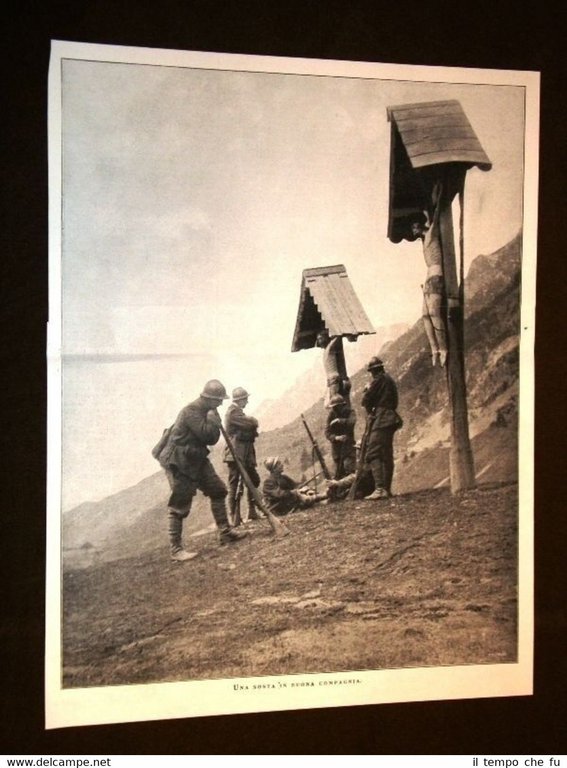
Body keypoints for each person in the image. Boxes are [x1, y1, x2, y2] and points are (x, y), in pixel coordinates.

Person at [157, 379, 248, 562]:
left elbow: (212, 438)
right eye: (219, 400)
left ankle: (225, 532)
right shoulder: (191, 411)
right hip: (179, 461)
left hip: (196, 457)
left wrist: (212, 421)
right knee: (180, 504)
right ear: (209, 398)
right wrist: (212, 422)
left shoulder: (209, 410)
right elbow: (207, 435)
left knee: (218, 490)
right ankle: (176, 550)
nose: (221, 403)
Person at [411, 196, 450, 367]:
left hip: (436, 275)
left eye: (414, 227)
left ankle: (443, 348)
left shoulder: (431, 234)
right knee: (425, 315)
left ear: (420, 226)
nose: (413, 231)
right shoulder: (424, 239)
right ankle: (434, 349)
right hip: (429, 277)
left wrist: (439, 197)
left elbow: (437, 214)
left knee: (434, 313)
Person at [360, 357, 402, 501]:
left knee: (372, 453)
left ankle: (379, 488)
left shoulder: (378, 380)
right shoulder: (389, 380)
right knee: (386, 454)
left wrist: (368, 389)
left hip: (382, 419)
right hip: (391, 418)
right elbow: (395, 401)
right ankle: (386, 489)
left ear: (373, 371)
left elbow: (366, 400)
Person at [223, 386, 262, 526]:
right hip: (236, 453)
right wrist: (252, 423)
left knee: (253, 480)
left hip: (245, 453)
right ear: (240, 400)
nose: (247, 402)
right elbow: (250, 424)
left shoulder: (238, 412)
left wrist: (250, 427)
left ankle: (251, 511)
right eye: (245, 399)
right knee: (234, 484)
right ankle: (233, 515)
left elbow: (250, 428)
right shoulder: (233, 412)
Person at [262, 456, 327, 517]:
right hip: (278, 508)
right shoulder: (268, 482)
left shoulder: (283, 477)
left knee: (305, 490)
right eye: (279, 464)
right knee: (300, 496)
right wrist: (294, 492)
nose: (282, 465)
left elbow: (295, 485)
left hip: (288, 502)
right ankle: (323, 496)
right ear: (274, 469)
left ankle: (322, 496)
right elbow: (280, 494)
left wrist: (303, 486)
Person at [316, 329, 351, 408]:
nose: (319, 341)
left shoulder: (330, 348)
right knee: (330, 403)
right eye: (318, 339)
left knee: (334, 402)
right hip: (330, 380)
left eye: (321, 338)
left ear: (326, 337)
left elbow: (338, 336)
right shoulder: (326, 351)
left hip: (334, 378)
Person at [324, 393, 356, 480]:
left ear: (342, 406)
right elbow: (327, 432)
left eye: (336, 407)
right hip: (337, 451)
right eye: (333, 407)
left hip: (348, 448)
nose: (334, 409)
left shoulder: (350, 412)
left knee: (350, 472)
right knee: (339, 475)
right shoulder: (331, 415)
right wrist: (336, 438)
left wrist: (340, 420)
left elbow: (352, 422)